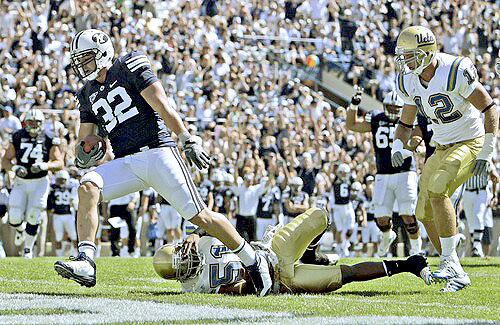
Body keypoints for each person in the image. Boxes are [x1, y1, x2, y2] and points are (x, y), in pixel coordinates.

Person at [53, 29, 272, 296]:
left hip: (158, 153)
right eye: (79, 60)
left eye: (86, 58)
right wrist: (84, 150)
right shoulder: (87, 92)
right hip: (127, 162)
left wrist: (186, 138)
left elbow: (162, 104)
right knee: (88, 185)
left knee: (201, 216)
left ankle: (252, 259)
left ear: (103, 52)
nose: (81, 66)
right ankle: (86, 260)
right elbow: (84, 138)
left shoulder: (129, 65)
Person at [391, 26, 498, 292]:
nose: (404, 62)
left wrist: (487, 151)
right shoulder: (409, 80)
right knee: (423, 212)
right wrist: (396, 144)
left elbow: (489, 107)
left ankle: (449, 260)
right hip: (440, 146)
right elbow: (406, 122)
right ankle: (456, 270)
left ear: (427, 53)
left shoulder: (454, 71)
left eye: (410, 55)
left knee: (438, 189)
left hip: (469, 141)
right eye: (402, 56)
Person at [153, 208, 432, 294]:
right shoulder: (195, 288)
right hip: (279, 281)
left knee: (320, 216)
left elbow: (219, 224)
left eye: (182, 253)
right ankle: (408, 264)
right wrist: (251, 281)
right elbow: (241, 291)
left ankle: (310, 253)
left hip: (272, 249)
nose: (187, 259)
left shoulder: (199, 241)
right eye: (181, 265)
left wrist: (196, 232)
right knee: (343, 276)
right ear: (177, 276)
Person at [346, 87, 422, 257]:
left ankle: (417, 249)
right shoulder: (376, 118)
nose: (394, 111)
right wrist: (354, 105)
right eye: (391, 107)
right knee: (381, 217)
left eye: (397, 108)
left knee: (407, 213)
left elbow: (418, 136)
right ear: (384, 106)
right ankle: (388, 235)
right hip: (383, 173)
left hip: (405, 171)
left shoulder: (409, 121)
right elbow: (351, 125)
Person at [1, 109, 64, 258]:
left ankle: (28, 250)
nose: (34, 125)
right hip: (21, 182)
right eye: (31, 122)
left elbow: (59, 163)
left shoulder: (49, 137)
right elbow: (5, 160)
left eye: (37, 122)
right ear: (26, 122)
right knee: (14, 216)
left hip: (40, 182)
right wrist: (15, 167)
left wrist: (45, 166)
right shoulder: (17, 136)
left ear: (42, 123)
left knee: (34, 214)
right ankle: (21, 230)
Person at [48, 170, 78, 257]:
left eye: (63, 179)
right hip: (57, 215)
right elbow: (50, 202)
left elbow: (74, 201)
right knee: (58, 236)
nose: (61, 181)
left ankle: (75, 254)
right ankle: (59, 255)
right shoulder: (53, 188)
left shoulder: (71, 188)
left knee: (73, 235)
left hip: (69, 215)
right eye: (59, 179)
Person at [330, 164, 355, 257]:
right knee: (339, 229)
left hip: (348, 205)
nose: (344, 174)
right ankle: (341, 248)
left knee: (351, 227)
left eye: (346, 173)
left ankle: (345, 243)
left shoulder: (350, 180)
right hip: (338, 206)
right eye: (342, 172)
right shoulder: (335, 181)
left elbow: (358, 181)